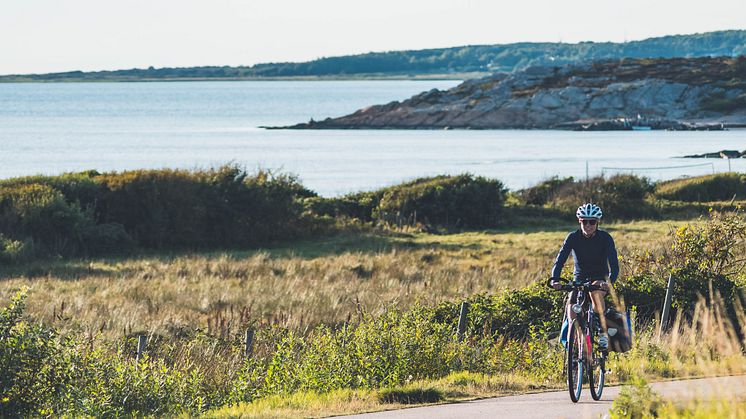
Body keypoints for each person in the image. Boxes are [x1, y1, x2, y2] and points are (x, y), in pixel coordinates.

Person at [550, 203, 619, 349]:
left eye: (592, 222)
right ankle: (574, 348)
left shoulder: (605, 238)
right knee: (571, 308)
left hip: (599, 279)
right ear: (579, 221)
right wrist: (555, 279)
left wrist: (610, 282)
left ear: (597, 222)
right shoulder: (573, 238)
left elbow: (614, 264)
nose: (588, 225)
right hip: (579, 279)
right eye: (584, 221)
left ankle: (602, 334)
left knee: (595, 294)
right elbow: (560, 260)